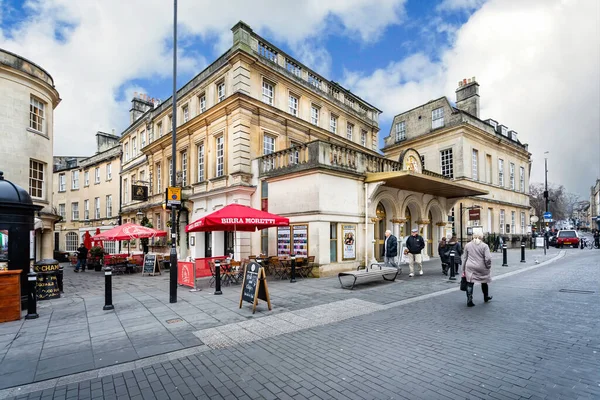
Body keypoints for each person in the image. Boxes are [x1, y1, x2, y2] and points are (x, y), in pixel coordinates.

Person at [462, 233, 492, 307]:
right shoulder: (484, 246)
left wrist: (463, 269)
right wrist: (488, 266)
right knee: (484, 281)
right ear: (481, 238)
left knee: (470, 282)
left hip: (470, 266)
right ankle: (486, 297)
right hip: (481, 266)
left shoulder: (467, 245)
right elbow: (488, 258)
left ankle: (469, 299)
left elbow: (464, 258)